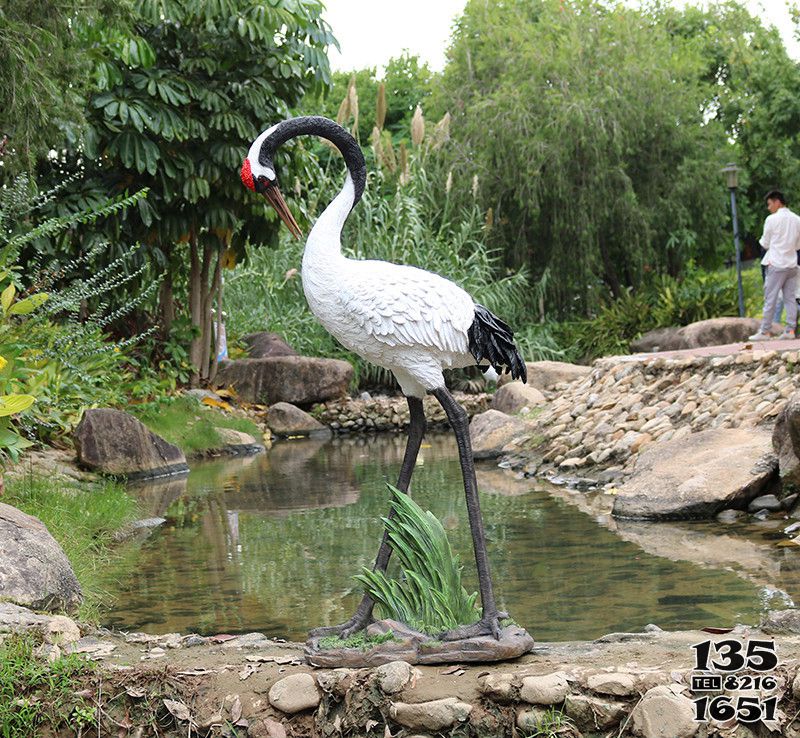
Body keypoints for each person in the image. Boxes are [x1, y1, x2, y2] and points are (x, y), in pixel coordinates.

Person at [749, 190, 800, 341]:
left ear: (777, 201)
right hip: (792, 264)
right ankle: (790, 331)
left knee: (770, 298)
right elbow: (798, 245)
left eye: (769, 204)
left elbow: (764, 243)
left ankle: (765, 331)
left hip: (776, 264)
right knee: (790, 298)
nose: (768, 207)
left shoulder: (771, 219)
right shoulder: (797, 219)